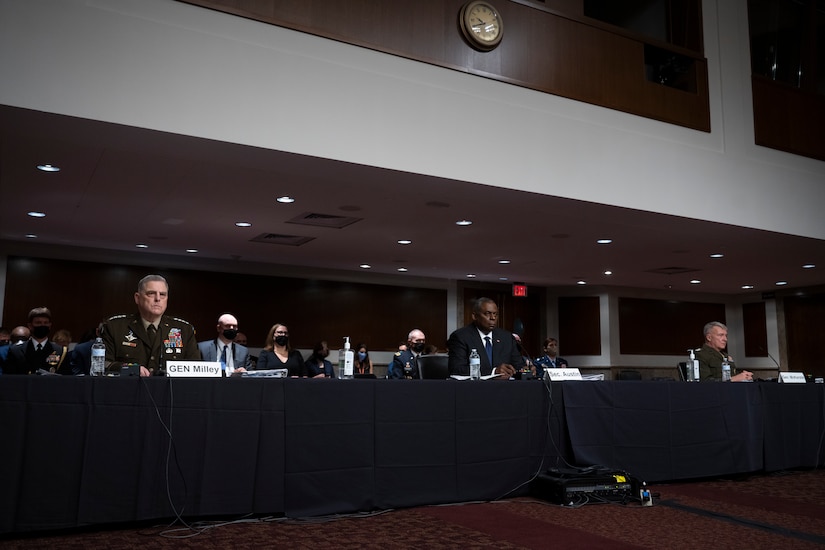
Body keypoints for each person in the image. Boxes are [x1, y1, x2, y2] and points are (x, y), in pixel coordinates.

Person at [103, 274, 200, 377]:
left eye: (162, 294)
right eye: (151, 294)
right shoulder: (115, 327)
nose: (158, 298)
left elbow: (196, 368)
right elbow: (102, 364)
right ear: (137, 298)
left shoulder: (184, 329)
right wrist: (131, 369)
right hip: (128, 390)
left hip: (170, 391)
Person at [447, 297, 523, 379]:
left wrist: (526, 370)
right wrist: (493, 371)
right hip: (474, 389)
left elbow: (518, 366)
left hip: (504, 388)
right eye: (487, 313)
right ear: (475, 316)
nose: (493, 318)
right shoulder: (461, 336)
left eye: (495, 314)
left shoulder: (507, 337)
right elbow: (456, 369)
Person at [4, 307, 69, 375]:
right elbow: (9, 378)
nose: (42, 325)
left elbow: (66, 379)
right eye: (38, 323)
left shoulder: (61, 351)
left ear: (50, 325)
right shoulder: (16, 350)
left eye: (46, 323)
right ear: (30, 326)